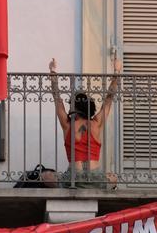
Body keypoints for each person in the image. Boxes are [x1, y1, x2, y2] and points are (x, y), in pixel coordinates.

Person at [48, 57, 122, 188]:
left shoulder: (68, 124)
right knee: (113, 177)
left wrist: (53, 72)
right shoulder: (97, 123)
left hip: (73, 177)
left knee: (45, 176)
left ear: (73, 107)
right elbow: (109, 98)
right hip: (95, 178)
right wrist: (116, 72)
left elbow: (57, 98)